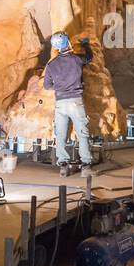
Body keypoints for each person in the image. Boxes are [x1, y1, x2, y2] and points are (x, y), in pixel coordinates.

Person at [42, 31, 94, 175]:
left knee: (60, 134)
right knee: (82, 134)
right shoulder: (76, 60)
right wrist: (86, 45)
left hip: (60, 103)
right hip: (76, 102)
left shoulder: (51, 65)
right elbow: (89, 57)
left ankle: (63, 167)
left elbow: (46, 86)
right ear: (68, 43)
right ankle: (86, 167)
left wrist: (59, 87)